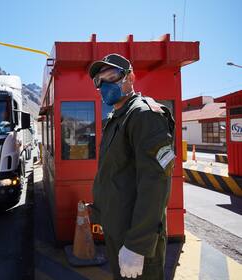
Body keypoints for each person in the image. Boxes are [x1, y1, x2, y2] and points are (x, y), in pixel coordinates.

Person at [88, 54, 175, 279]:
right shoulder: (117, 118)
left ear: (131, 77)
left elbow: (155, 183)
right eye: (100, 80)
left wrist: (138, 245)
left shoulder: (144, 115)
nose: (105, 84)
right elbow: (113, 174)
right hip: (117, 232)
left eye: (112, 76)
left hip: (135, 239)